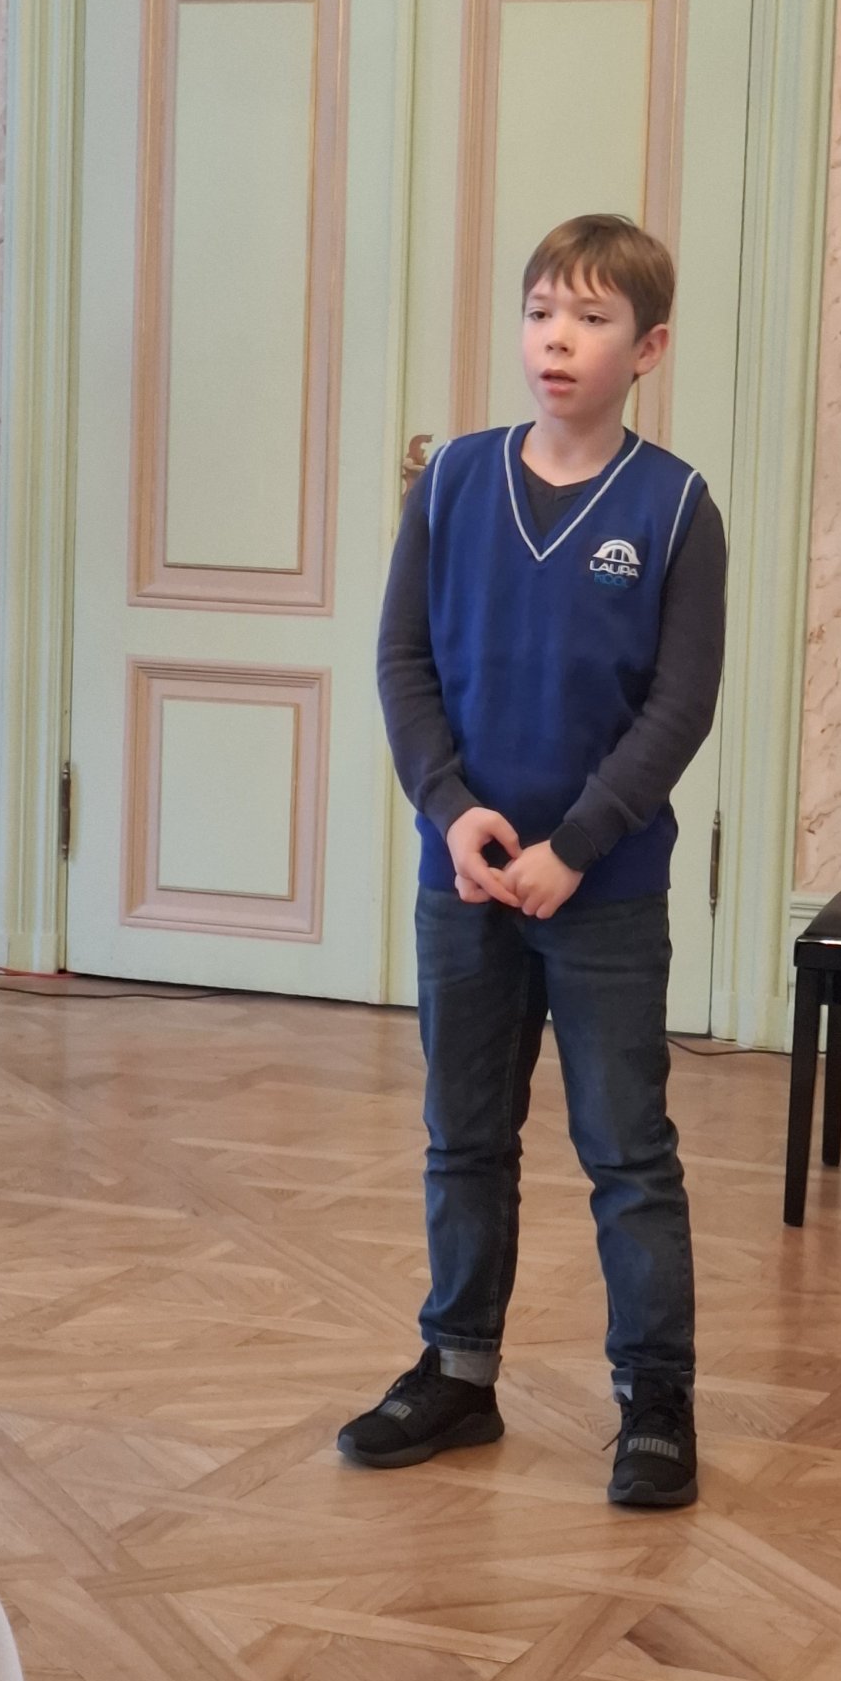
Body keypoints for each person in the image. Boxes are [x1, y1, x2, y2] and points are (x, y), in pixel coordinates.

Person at [338, 214, 727, 1506]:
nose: (558, 339)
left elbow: (679, 707)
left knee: (627, 1153)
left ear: (647, 348)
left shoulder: (676, 509)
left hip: (602, 894)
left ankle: (655, 1400)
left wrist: (578, 845)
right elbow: (402, 663)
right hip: (463, 882)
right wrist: (451, 810)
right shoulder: (453, 482)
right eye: (542, 311)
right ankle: (458, 1373)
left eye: (592, 319)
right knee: (464, 1139)